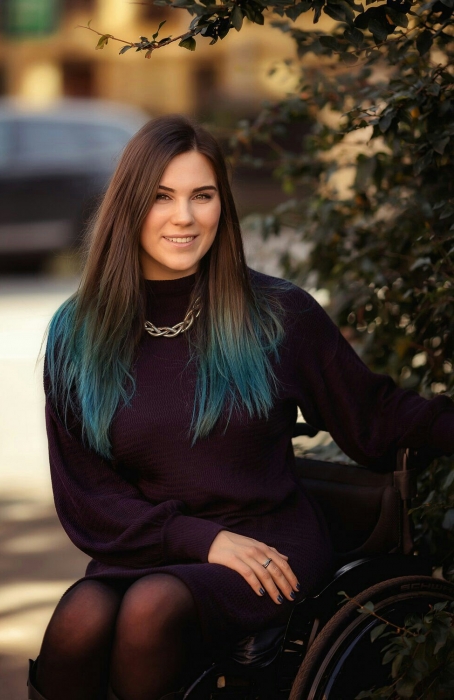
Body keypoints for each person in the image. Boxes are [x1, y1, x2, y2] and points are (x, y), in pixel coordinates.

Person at [29, 114, 454, 700]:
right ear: (128, 207)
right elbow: (87, 496)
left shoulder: (277, 315)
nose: (185, 217)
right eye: (161, 197)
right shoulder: (79, 333)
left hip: (268, 545)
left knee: (151, 608)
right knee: (79, 619)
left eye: (202, 196)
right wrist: (199, 540)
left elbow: (375, 415)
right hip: (154, 544)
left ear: (222, 206)